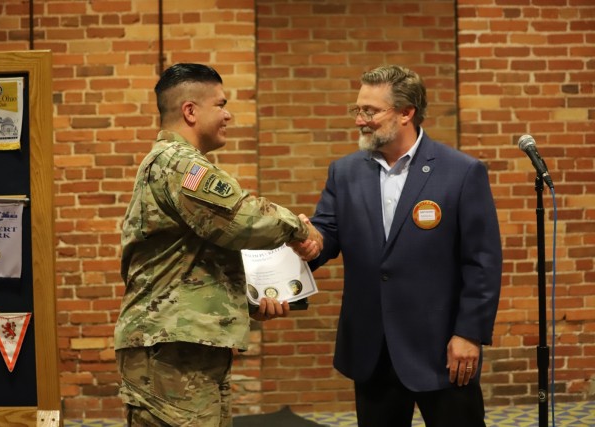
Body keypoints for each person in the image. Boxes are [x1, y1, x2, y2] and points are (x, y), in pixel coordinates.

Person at [114, 63, 323, 427]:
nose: (228, 114)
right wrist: (299, 230)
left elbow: (194, 259)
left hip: (183, 348)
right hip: (170, 353)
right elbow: (243, 220)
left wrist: (249, 300)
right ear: (190, 111)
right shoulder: (178, 164)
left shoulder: (175, 164)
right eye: (221, 104)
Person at [308, 65, 502, 427]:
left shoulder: (461, 172)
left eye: (370, 110)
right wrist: (308, 241)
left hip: (443, 349)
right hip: (373, 350)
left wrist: (469, 333)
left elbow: (482, 262)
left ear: (406, 112)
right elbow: (326, 233)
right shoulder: (344, 171)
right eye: (358, 110)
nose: (359, 121)